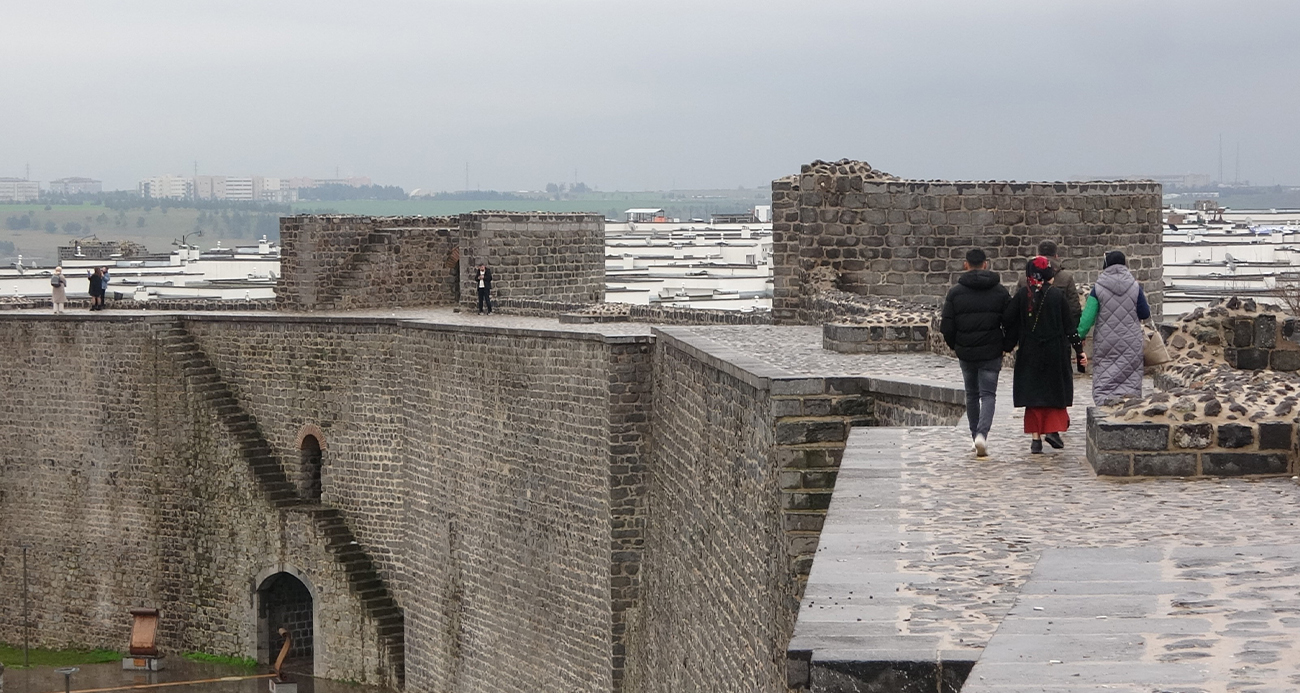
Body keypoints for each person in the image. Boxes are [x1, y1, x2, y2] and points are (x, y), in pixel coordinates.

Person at [939, 248, 1010, 457]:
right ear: (986, 264)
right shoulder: (1000, 292)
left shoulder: (955, 293)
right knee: (988, 395)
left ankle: (974, 436)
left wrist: (956, 346)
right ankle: (982, 435)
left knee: (971, 395)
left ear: (965, 264)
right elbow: (1010, 321)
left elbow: (947, 326)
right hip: (991, 350)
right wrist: (1004, 345)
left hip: (966, 351)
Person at [1003, 256, 1077, 454]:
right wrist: (1079, 350)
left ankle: (1036, 439)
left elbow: (1008, 319)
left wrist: (1007, 344)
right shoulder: (1056, 296)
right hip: (1055, 351)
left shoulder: (1022, 295)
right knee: (1053, 394)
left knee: (1034, 396)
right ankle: (1052, 430)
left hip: (1030, 352)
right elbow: (1070, 326)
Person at [1077, 250, 1151, 405]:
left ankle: (1105, 404)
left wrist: (1080, 335)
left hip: (1106, 341)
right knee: (1130, 375)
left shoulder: (1098, 288)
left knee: (1106, 373)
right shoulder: (1135, 287)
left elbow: (1088, 318)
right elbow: (1144, 313)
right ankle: (1130, 404)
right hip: (1131, 340)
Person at [1017, 240, 1081, 325]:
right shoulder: (1066, 278)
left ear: (1038, 255)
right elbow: (1074, 308)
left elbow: (1016, 307)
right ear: (1056, 256)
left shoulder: (1024, 278)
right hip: (1058, 328)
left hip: (1029, 328)